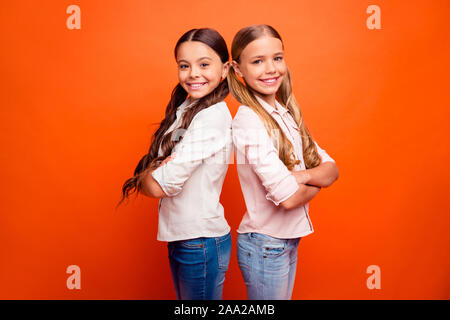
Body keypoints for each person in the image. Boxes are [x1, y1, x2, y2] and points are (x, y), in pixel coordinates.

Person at [118, 28, 232, 300]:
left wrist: (148, 176)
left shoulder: (211, 118)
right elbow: (160, 176)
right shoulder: (186, 109)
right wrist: (154, 173)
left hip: (200, 240)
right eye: (184, 65)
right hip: (184, 236)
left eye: (204, 64)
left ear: (225, 68)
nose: (193, 73)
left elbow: (160, 185)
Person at [228, 24, 339, 300]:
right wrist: (315, 180)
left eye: (277, 58)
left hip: (286, 241)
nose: (271, 69)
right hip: (266, 245)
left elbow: (333, 169)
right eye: (257, 61)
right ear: (238, 70)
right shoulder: (248, 121)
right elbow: (289, 199)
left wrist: (301, 177)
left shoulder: (285, 112)